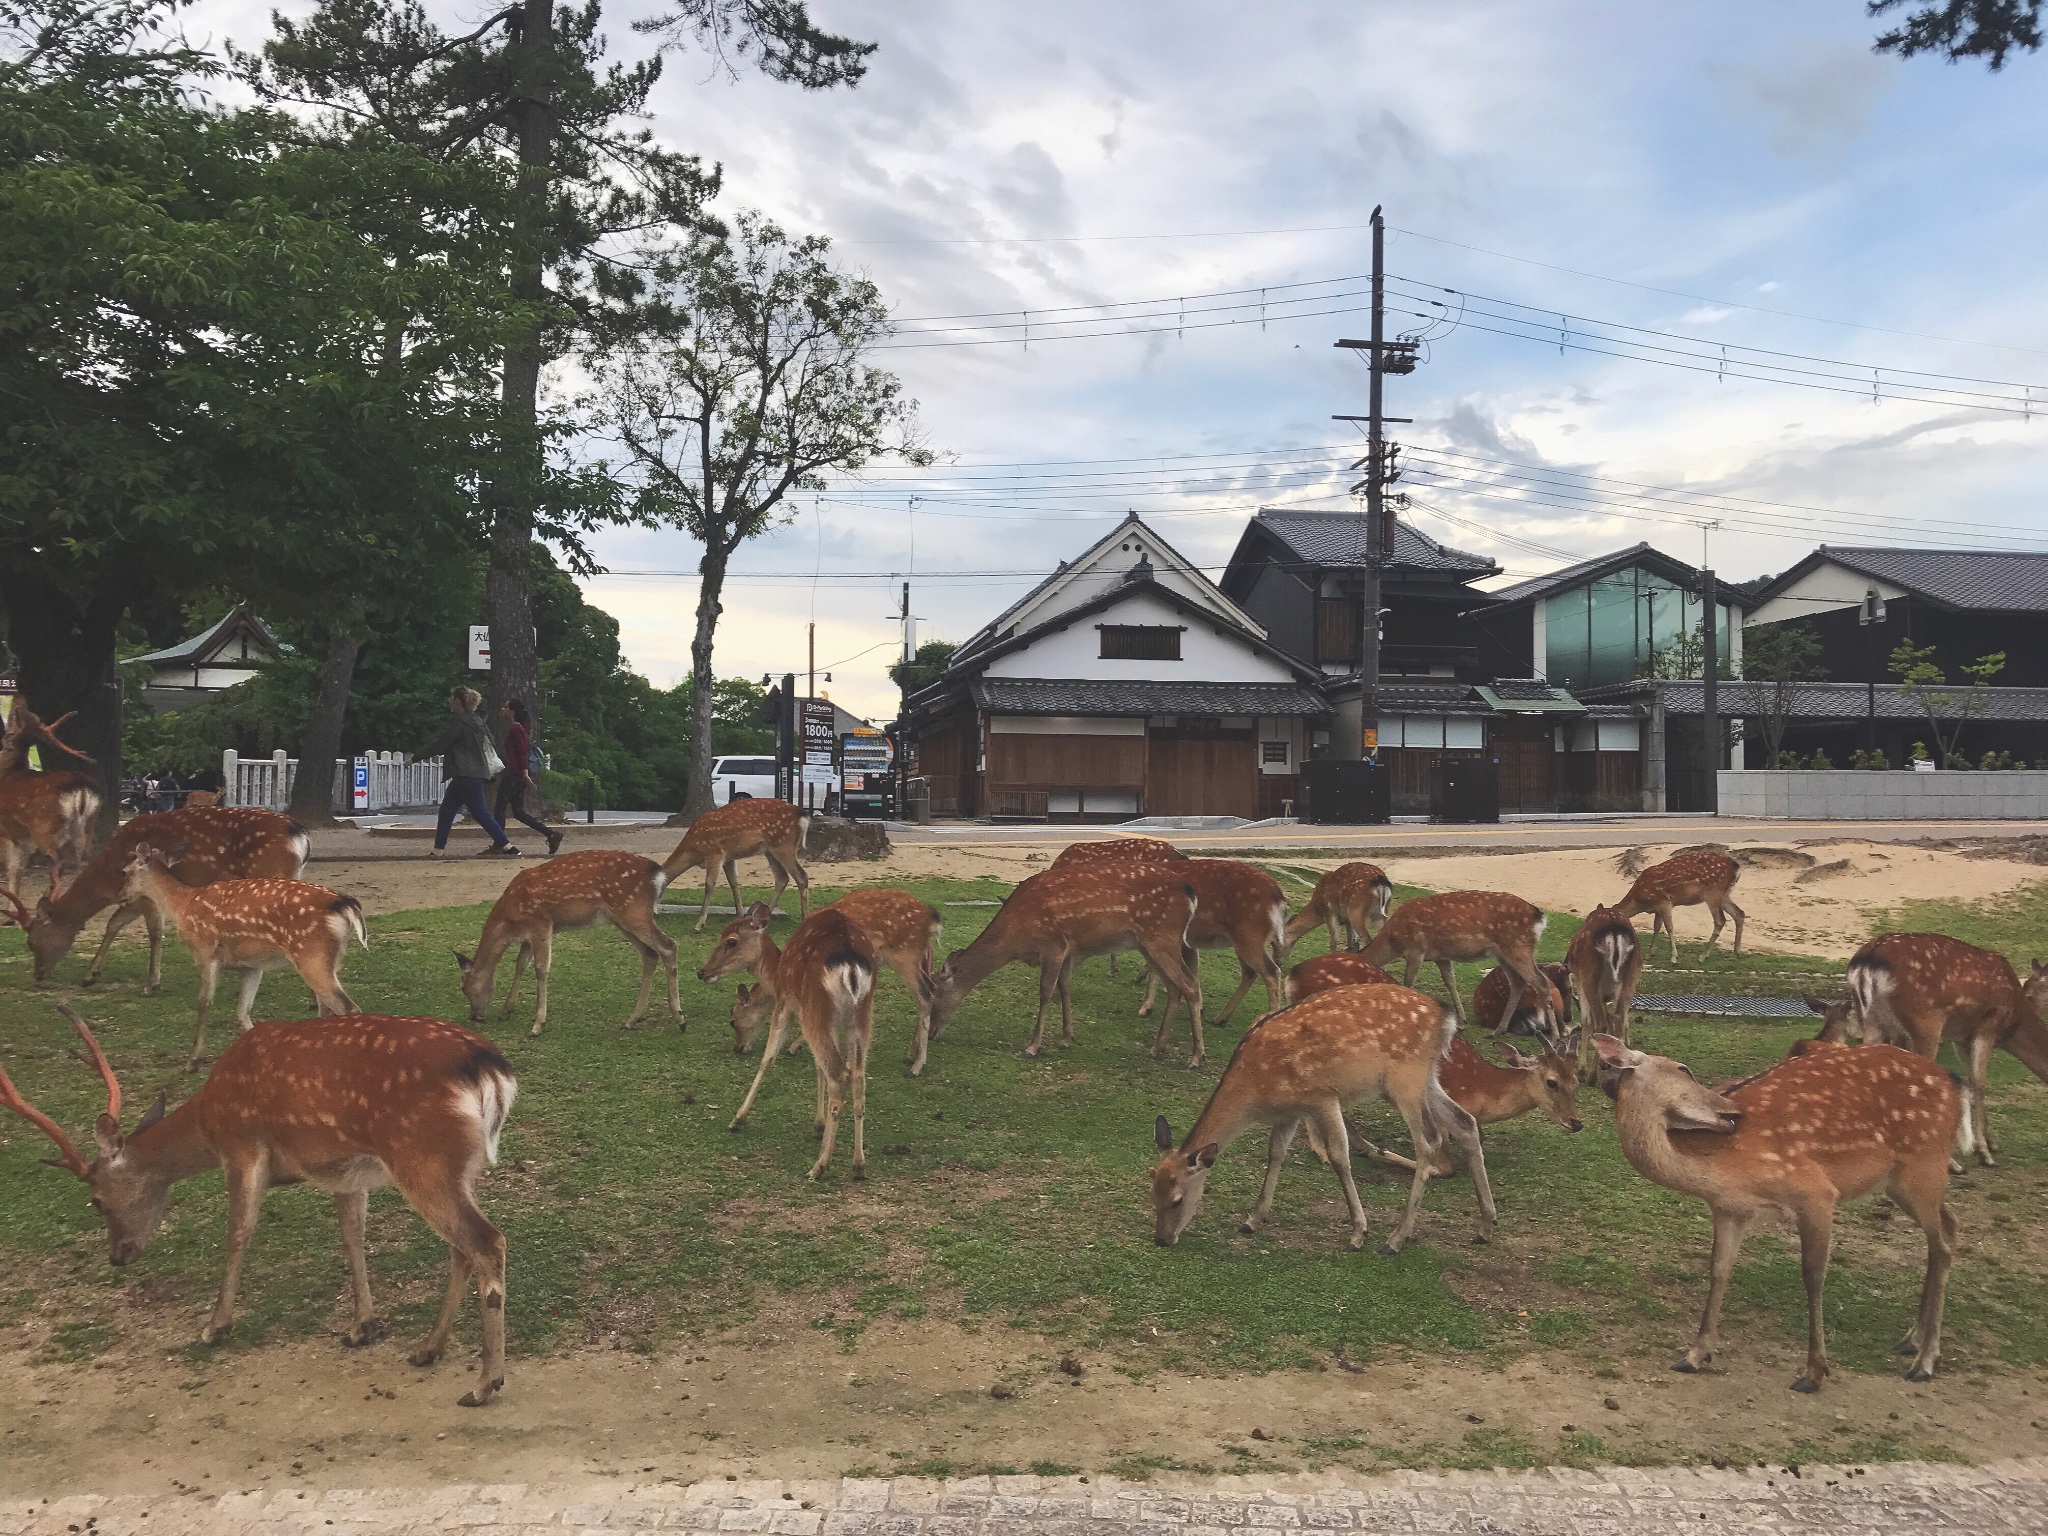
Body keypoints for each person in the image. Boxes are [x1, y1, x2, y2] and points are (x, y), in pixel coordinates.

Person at [426, 687, 518, 857]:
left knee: (480, 813)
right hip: (473, 773)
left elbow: (441, 744)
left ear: (459, 702)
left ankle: (508, 847)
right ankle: (438, 850)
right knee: (447, 811)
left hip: (466, 774)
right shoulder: (478, 722)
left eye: (452, 698)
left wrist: (415, 758)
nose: (450, 701)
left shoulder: (460, 724)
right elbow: (491, 743)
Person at [494, 697, 562, 856]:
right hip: (518, 774)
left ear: (512, 711)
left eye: (505, 707)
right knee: (518, 812)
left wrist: (524, 773)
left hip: (514, 775)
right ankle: (551, 834)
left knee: (499, 809)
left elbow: (521, 753)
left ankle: (499, 844)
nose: (502, 709)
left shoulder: (515, 729)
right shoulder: (519, 729)